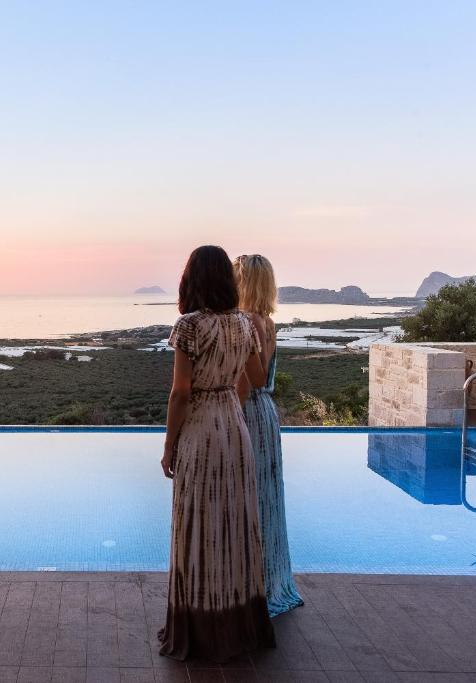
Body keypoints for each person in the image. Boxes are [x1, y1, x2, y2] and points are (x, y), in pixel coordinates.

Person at [158, 245, 276, 662]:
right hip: (235, 425)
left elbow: (180, 392)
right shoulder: (243, 323)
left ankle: (200, 624)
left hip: (202, 427)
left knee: (197, 524)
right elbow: (258, 376)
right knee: (235, 523)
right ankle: (237, 620)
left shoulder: (188, 326)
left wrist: (170, 443)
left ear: (192, 279)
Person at [234, 254, 304, 617]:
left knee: (251, 497)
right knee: (266, 496)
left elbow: (253, 379)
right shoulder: (268, 320)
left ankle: (252, 587)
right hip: (267, 413)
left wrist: (229, 414)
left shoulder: (247, 322)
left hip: (249, 412)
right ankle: (268, 579)